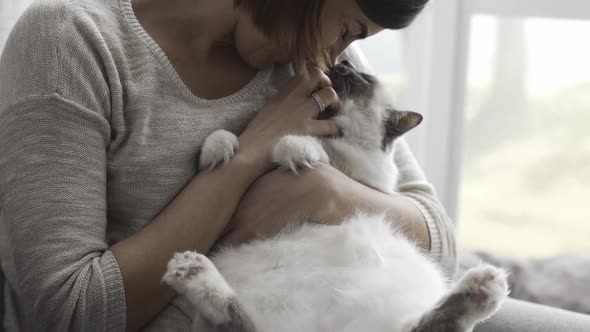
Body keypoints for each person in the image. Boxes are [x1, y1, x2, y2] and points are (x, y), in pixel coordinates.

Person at [0, 0, 587, 331]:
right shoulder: (71, 40)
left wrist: (330, 196)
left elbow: (438, 238)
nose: (336, 57)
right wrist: (246, 161)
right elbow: (70, 312)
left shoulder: (313, 50)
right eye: (350, 29)